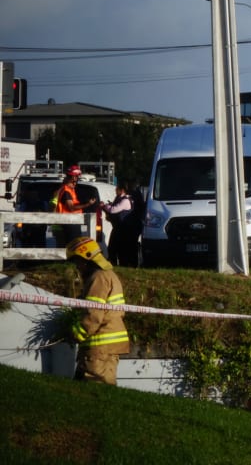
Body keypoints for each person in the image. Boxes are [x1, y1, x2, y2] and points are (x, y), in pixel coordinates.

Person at [65, 236, 130, 385]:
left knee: (96, 392)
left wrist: (75, 334)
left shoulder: (98, 278)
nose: (77, 267)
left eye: (77, 262)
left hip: (100, 345)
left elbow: (93, 315)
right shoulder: (109, 275)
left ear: (86, 259)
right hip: (104, 347)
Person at [51, 165, 97, 248]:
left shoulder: (69, 190)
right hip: (70, 221)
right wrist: (88, 204)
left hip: (72, 220)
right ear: (73, 177)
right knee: (73, 246)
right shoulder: (66, 190)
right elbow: (71, 207)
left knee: (73, 245)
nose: (77, 181)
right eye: (77, 177)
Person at [101, 184, 137, 267]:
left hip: (123, 229)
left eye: (117, 189)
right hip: (118, 227)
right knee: (113, 247)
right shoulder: (119, 199)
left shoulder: (125, 200)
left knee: (118, 248)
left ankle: (120, 265)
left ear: (122, 190)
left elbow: (113, 210)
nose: (115, 190)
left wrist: (104, 206)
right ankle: (114, 264)